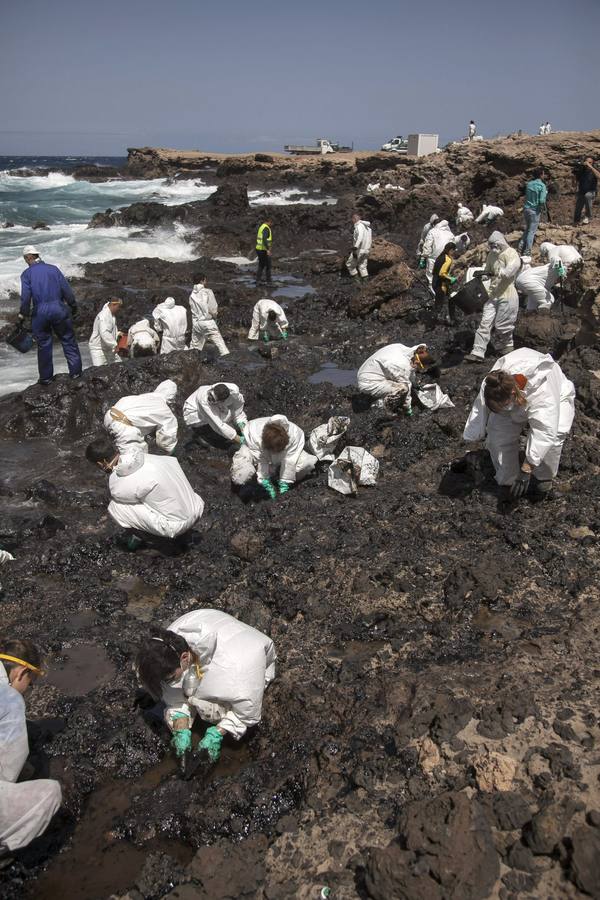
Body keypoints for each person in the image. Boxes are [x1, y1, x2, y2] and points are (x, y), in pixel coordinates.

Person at [135, 609, 276, 765]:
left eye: (168, 679)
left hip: (248, 663)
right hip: (217, 636)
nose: (166, 683)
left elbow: (247, 714)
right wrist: (180, 727)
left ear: (184, 657)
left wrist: (217, 733)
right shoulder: (167, 645)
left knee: (212, 711)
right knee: (181, 690)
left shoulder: (239, 670)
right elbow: (173, 694)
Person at [463, 348, 575, 499]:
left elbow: (545, 432)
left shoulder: (542, 391)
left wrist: (527, 469)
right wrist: (474, 434)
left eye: (503, 405)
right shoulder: (492, 383)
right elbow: (479, 409)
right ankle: (508, 480)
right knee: (498, 436)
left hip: (557, 396)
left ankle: (543, 479)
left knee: (555, 436)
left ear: (513, 395)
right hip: (513, 398)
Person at [0, 638, 62, 854]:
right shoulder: (10, 700)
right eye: (30, 682)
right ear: (20, 673)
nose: (28, 689)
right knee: (50, 793)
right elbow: (8, 771)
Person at [86, 440, 204, 548]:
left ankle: (148, 540)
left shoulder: (117, 482)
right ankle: (183, 532)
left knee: (115, 507)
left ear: (102, 463)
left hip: (177, 526)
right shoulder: (149, 457)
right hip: (197, 507)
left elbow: (122, 495)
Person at [18, 245, 82, 386]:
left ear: (29, 257)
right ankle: (76, 374)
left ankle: (46, 378)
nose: (25, 262)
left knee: (44, 345)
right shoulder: (53, 269)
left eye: (25, 259)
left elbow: (26, 298)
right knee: (68, 340)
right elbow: (66, 290)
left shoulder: (26, 274)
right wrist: (73, 306)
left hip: (40, 312)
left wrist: (23, 315)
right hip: (59, 308)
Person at [465, 231, 521, 363]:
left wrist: (501, 272)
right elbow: (489, 270)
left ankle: (507, 346)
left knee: (503, 324)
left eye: (495, 245)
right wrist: (484, 274)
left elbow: (511, 269)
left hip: (507, 293)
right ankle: (477, 352)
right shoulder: (491, 255)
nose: (493, 248)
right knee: (485, 323)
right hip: (493, 294)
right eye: (491, 245)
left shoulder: (510, 253)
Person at [230, 415, 316, 498]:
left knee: (308, 462)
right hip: (252, 449)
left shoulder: (295, 435)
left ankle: (277, 476)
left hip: (280, 458)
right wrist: (264, 480)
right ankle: (252, 480)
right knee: (242, 475)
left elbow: (290, 461)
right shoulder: (255, 434)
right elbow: (261, 460)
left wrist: (285, 482)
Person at [357, 343, 438, 414]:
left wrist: (415, 384)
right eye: (421, 368)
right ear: (417, 362)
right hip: (368, 382)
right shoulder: (402, 365)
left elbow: (411, 371)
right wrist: (408, 409)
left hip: (368, 370)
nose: (420, 370)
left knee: (400, 381)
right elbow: (407, 387)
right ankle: (380, 406)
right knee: (402, 389)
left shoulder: (403, 348)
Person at [103, 380, 179, 455]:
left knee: (113, 451)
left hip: (109, 416)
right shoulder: (166, 411)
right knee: (140, 461)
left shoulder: (144, 396)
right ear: (172, 399)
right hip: (123, 428)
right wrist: (172, 452)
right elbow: (166, 442)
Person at [183, 382, 247, 447]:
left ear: (222, 401)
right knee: (222, 434)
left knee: (233, 422)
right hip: (194, 413)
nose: (209, 398)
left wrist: (242, 426)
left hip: (217, 406)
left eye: (213, 399)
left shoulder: (235, 395)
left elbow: (238, 411)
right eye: (210, 394)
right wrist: (238, 439)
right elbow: (218, 425)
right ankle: (202, 435)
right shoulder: (203, 400)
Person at [188, 276, 229, 357]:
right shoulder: (207, 291)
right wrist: (215, 315)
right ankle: (228, 363)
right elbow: (213, 308)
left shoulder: (192, 294)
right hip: (207, 322)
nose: (206, 282)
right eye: (205, 280)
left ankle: (192, 362)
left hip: (196, 323)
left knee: (194, 348)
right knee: (221, 346)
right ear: (202, 281)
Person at [518, 168, 547, 256]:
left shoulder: (529, 184)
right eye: (543, 174)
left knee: (527, 228)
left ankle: (520, 246)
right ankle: (528, 250)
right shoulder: (542, 186)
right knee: (532, 231)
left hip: (526, 209)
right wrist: (543, 207)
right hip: (534, 210)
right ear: (541, 175)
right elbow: (542, 201)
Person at [419, 218, 455, 287]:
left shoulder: (432, 231)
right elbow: (452, 248)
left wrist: (423, 259)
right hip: (446, 259)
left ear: (434, 225)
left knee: (431, 281)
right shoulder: (450, 234)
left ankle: (433, 295)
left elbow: (427, 246)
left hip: (433, 259)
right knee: (443, 278)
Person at [89, 298, 123, 367]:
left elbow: (111, 330)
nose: (119, 309)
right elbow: (104, 333)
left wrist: (117, 333)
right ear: (113, 305)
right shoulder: (104, 316)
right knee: (100, 372)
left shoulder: (111, 315)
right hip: (98, 350)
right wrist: (114, 345)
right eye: (118, 307)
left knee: (120, 367)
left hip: (109, 348)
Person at [432, 242, 458, 324]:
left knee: (440, 301)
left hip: (434, 282)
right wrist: (451, 278)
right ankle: (435, 321)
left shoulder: (440, 257)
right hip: (440, 284)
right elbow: (442, 273)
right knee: (444, 303)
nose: (454, 252)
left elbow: (435, 271)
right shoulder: (448, 259)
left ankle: (437, 319)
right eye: (453, 251)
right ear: (451, 250)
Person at [346, 213, 373, 281]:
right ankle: (365, 283)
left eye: (352, 219)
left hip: (359, 250)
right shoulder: (368, 228)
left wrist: (355, 247)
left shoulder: (359, 226)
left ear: (354, 219)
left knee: (350, 264)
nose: (352, 221)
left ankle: (357, 282)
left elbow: (360, 237)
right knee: (362, 266)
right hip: (367, 250)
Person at [573, 157, 599, 225]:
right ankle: (576, 221)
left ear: (592, 163)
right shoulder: (582, 170)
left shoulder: (594, 170)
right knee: (578, 205)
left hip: (591, 191)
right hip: (582, 191)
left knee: (587, 196)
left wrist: (591, 167)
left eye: (590, 162)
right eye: (586, 162)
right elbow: (575, 181)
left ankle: (588, 216)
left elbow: (599, 176)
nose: (587, 164)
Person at [255, 218, 273, 286]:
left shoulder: (261, 227)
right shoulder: (266, 228)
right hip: (263, 250)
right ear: (269, 222)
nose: (271, 225)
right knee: (268, 265)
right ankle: (269, 282)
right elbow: (264, 239)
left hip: (259, 249)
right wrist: (268, 249)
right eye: (271, 223)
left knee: (261, 265)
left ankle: (258, 281)